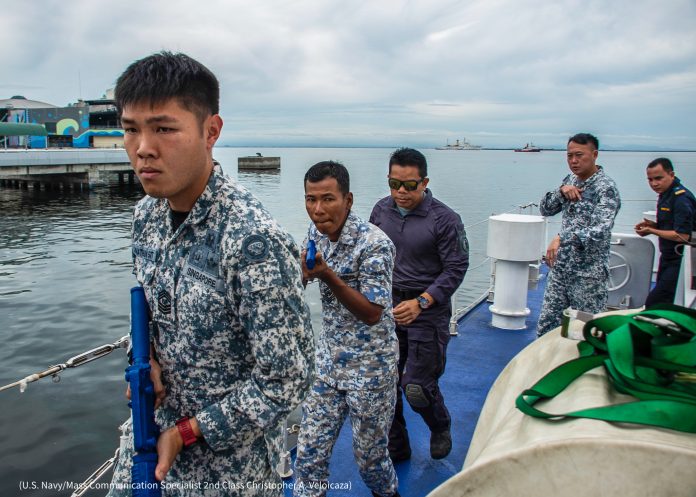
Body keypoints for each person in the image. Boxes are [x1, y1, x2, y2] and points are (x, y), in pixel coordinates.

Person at [107, 51, 314, 497]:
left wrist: (187, 432)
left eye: (163, 128)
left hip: (227, 475)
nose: (143, 147)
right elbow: (155, 316)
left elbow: (289, 379)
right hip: (145, 449)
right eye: (130, 129)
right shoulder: (146, 218)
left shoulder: (251, 241)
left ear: (211, 131)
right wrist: (148, 362)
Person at [294, 161, 400, 497]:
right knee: (308, 455)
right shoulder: (316, 234)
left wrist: (327, 275)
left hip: (371, 369)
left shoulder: (374, 245)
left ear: (348, 200)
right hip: (328, 364)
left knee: (370, 461)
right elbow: (304, 277)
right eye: (311, 199)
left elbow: (371, 312)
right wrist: (300, 274)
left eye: (327, 199)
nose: (318, 210)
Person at [369, 147, 468, 462]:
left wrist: (422, 301)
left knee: (416, 386)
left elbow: (456, 268)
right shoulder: (380, 212)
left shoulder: (445, 219)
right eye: (393, 183)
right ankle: (397, 445)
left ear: (424, 182)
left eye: (409, 185)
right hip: (388, 307)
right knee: (386, 385)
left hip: (428, 309)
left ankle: (440, 425)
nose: (400, 191)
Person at [536, 133, 621, 337]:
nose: (573, 161)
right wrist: (561, 191)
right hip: (561, 269)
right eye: (569, 156)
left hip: (587, 275)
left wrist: (562, 238)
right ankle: (549, 367)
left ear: (594, 155)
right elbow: (545, 209)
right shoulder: (570, 180)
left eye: (579, 155)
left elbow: (601, 230)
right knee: (548, 326)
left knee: (589, 329)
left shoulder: (605, 188)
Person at [635, 158, 695, 306]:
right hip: (667, 257)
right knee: (665, 302)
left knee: (655, 302)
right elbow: (670, 226)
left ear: (671, 175)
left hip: (679, 261)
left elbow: (682, 235)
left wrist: (652, 230)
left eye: (658, 178)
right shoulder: (666, 195)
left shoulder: (681, 198)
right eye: (650, 180)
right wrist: (653, 225)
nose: (654, 184)